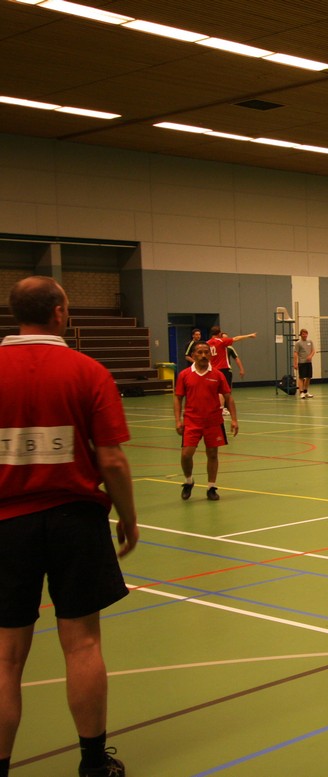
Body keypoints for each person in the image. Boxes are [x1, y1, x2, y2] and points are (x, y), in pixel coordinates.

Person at [0, 277, 138, 777]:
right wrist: (128, 517)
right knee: (82, 644)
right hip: (75, 523)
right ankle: (93, 764)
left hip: (6, 526)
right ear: (59, 312)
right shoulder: (87, 371)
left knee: (6, 658)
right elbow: (112, 460)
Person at [175, 342, 238, 500]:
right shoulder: (184, 375)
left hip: (213, 421)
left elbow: (228, 397)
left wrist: (234, 419)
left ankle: (211, 487)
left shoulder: (218, 375)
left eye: (206, 352)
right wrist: (177, 420)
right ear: (193, 355)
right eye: (200, 352)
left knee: (212, 454)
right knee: (186, 454)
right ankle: (189, 481)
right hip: (192, 421)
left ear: (210, 354)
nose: (203, 355)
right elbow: (178, 398)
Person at [293, 328, 315, 399]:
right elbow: (295, 353)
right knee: (301, 377)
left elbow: (313, 351)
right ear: (301, 335)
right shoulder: (298, 343)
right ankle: (301, 392)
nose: (305, 335)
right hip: (301, 363)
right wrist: (295, 363)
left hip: (309, 363)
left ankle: (306, 391)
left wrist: (310, 356)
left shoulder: (310, 342)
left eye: (306, 334)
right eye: (303, 334)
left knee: (308, 377)